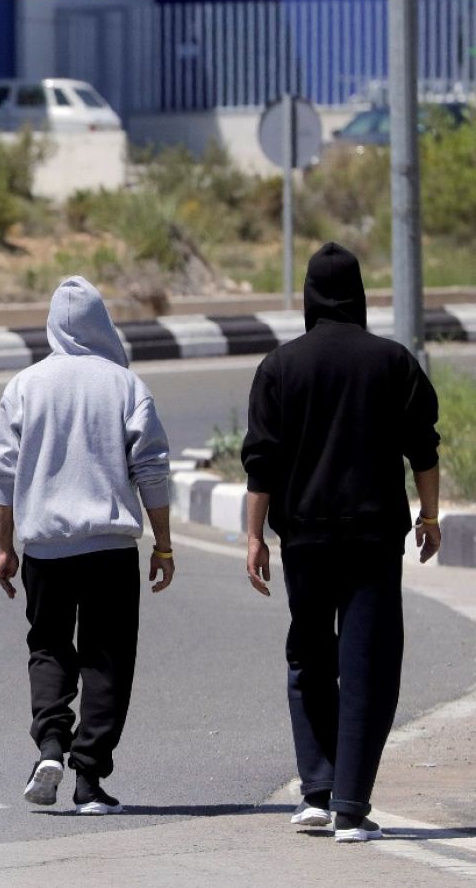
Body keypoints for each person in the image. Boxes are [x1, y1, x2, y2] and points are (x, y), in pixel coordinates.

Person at [242, 242, 441, 843]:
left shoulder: (280, 366)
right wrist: (430, 516)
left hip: (305, 539)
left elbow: (261, 462)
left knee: (309, 657)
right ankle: (350, 808)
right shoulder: (393, 361)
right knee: (368, 665)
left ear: (308, 295)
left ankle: (316, 792)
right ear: (358, 295)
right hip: (373, 540)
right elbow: (423, 448)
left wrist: (253, 536)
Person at [0, 276, 175, 815]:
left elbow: (3, 475)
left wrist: (5, 549)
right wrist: (163, 546)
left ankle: (50, 745)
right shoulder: (125, 385)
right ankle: (89, 778)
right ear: (102, 325)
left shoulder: (24, 387)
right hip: (110, 549)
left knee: (48, 646)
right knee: (107, 657)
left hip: (46, 550)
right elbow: (151, 468)